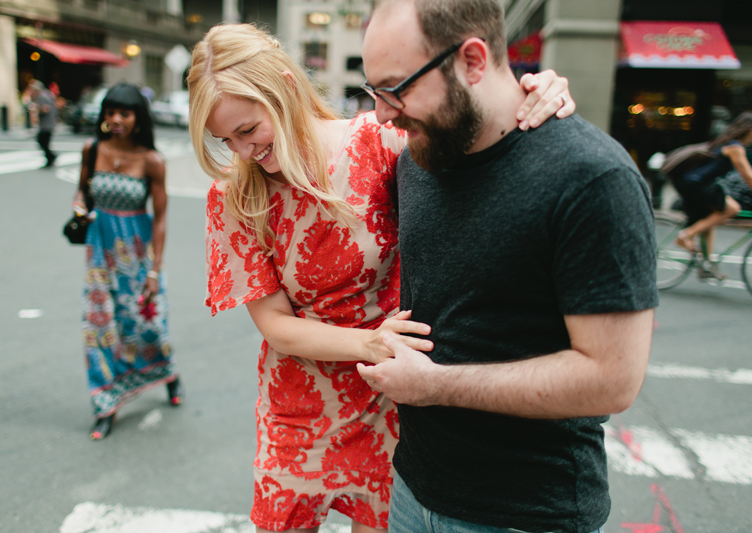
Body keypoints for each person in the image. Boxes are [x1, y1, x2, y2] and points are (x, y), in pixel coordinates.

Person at [188, 23, 574, 533]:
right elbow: (276, 326)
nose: (242, 152)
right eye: (224, 140)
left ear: (283, 86)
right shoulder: (234, 199)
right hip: (300, 404)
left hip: (390, 396)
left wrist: (536, 90)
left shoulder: (378, 142)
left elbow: (478, 143)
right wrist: (372, 343)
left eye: (247, 129)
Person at [356, 1, 659, 533]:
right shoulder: (416, 157)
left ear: (473, 60)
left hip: (526, 515)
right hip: (410, 491)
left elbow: (612, 379)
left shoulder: (592, 179)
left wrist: (435, 385)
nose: (383, 112)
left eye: (396, 88)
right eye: (373, 90)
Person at [72, 83, 183, 441]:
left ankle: (167, 373)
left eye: (124, 113)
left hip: (137, 260)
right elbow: (82, 191)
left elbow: (161, 217)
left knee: (146, 327)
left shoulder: (152, 161)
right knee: (99, 328)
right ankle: (105, 404)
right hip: (99, 258)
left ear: (138, 118)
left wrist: (155, 269)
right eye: (110, 112)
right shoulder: (92, 150)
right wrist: (78, 207)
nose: (115, 120)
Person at [672, 112, 752, 262]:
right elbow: (747, 175)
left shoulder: (728, 142)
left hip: (693, 182)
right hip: (697, 184)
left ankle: (707, 265)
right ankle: (686, 235)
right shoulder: (735, 148)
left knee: (710, 217)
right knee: (732, 209)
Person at [29, 81, 58, 167]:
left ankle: (51, 157)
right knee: (44, 142)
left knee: (42, 141)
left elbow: (46, 108)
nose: (32, 92)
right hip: (49, 124)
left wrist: (36, 109)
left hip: (46, 124)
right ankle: (50, 157)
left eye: (33, 90)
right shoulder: (47, 94)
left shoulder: (42, 96)